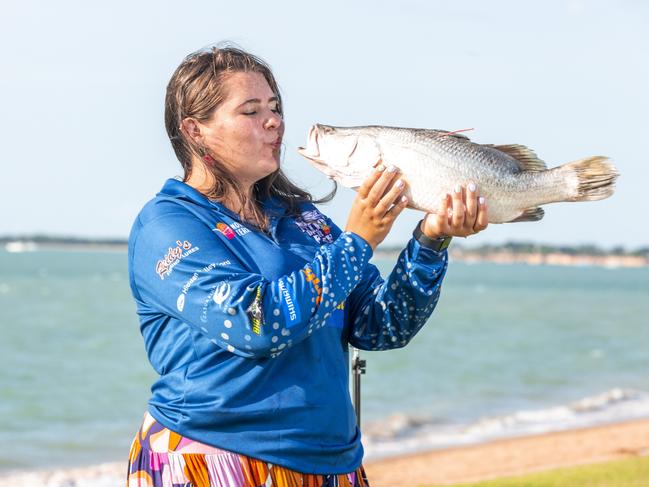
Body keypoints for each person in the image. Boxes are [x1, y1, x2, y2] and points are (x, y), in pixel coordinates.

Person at [126, 46, 488, 487]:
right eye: (251, 111)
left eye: (275, 107)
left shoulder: (302, 219)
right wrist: (359, 241)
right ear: (195, 131)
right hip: (215, 461)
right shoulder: (168, 225)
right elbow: (257, 324)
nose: (274, 121)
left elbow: (383, 326)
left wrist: (431, 239)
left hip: (331, 462)